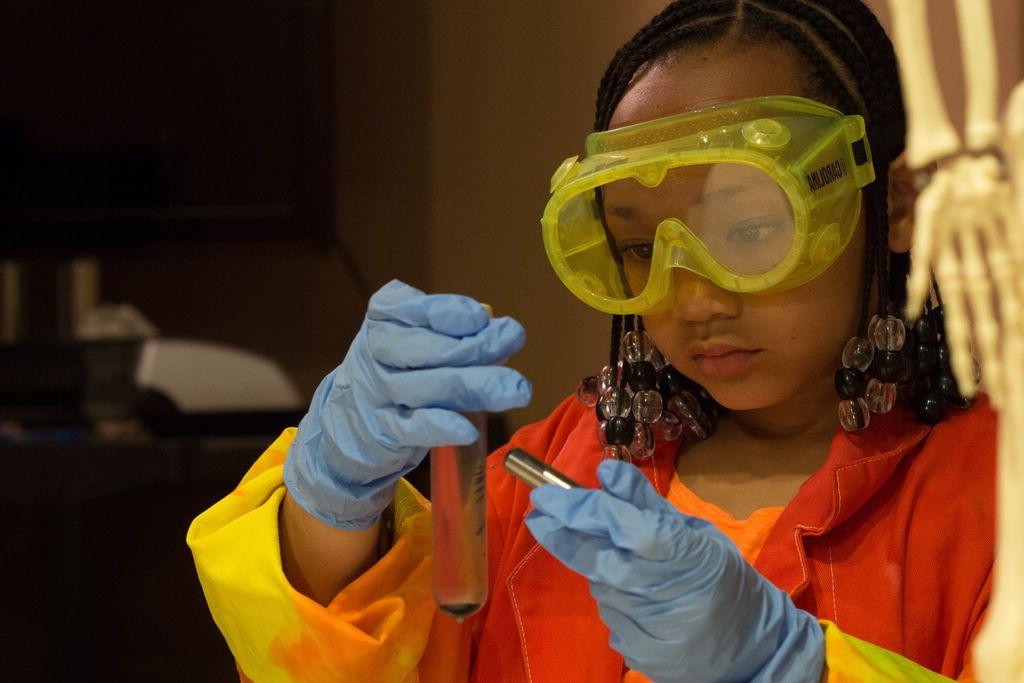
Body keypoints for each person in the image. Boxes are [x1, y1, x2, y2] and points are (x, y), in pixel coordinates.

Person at [187, 1, 996, 681]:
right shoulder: (550, 482)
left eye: (750, 230)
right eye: (643, 247)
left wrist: (792, 666)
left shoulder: (1000, 494)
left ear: (894, 205)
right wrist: (330, 505)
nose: (693, 297)